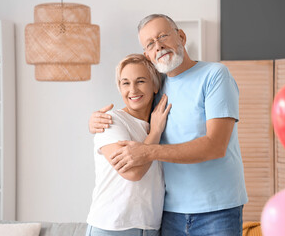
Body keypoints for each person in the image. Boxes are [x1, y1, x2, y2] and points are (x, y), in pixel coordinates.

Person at [89, 14, 248, 236]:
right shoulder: (158, 87)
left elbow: (216, 145)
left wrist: (147, 151)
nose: (159, 46)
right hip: (170, 213)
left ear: (181, 36)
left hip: (217, 210)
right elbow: (132, 105)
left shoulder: (214, 75)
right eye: (150, 44)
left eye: (163, 36)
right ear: (148, 54)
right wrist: (95, 120)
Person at [86, 54, 171, 236]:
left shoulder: (162, 124)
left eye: (140, 81)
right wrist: (155, 132)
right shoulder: (111, 122)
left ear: (155, 85)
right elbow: (132, 172)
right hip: (110, 227)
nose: (132, 90)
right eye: (125, 83)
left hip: (149, 228)